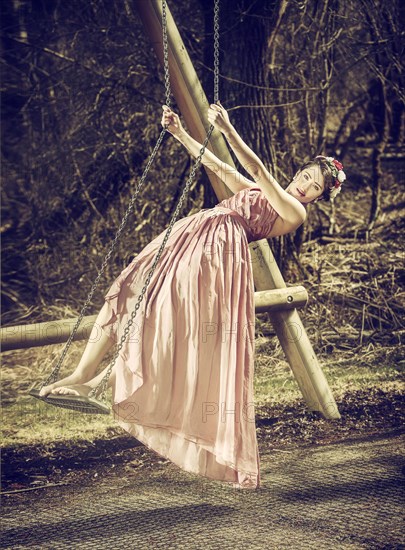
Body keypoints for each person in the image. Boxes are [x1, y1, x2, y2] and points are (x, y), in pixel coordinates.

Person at [37, 103, 346, 489]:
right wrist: (179, 132)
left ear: (317, 197)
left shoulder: (293, 210)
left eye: (313, 185)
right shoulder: (259, 193)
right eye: (304, 175)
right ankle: (83, 374)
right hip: (193, 235)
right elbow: (220, 168)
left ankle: (104, 380)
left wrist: (228, 129)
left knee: (160, 311)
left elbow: (258, 171)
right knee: (127, 289)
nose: (303, 184)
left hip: (218, 251)